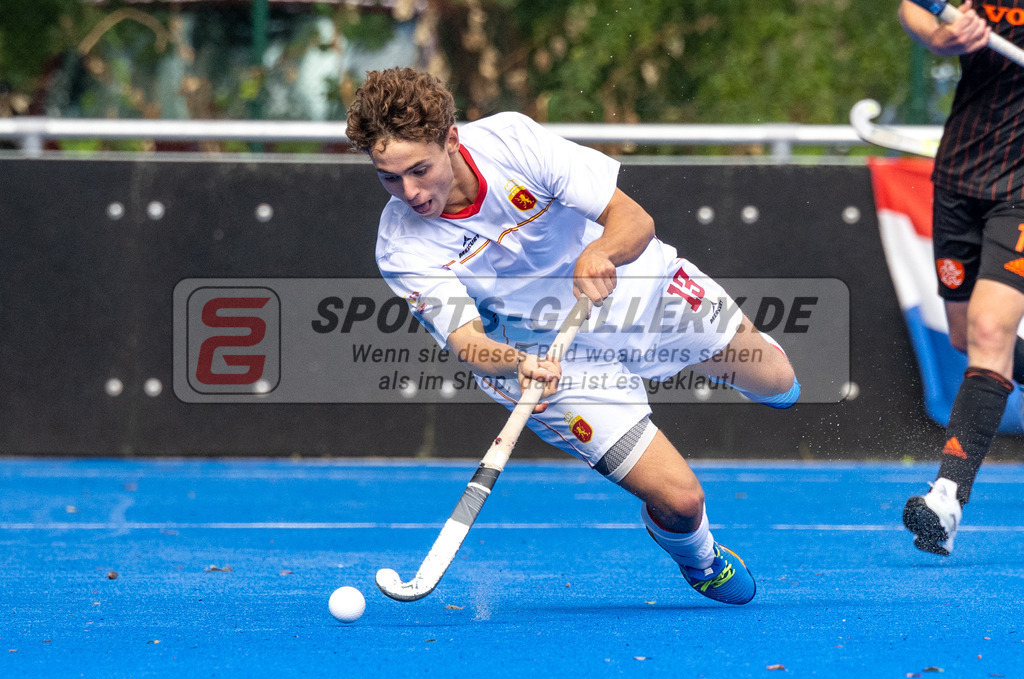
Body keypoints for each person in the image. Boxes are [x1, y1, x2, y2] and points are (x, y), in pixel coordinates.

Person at [345, 67, 799, 604]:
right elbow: (467, 344)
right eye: (389, 178)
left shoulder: (512, 141)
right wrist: (516, 363)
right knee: (681, 500)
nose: (410, 192)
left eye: (419, 170)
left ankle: (717, 361)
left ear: (451, 139)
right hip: (545, 358)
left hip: (635, 287)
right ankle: (700, 559)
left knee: (780, 383)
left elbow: (633, 219)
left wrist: (601, 250)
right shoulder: (401, 244)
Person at [898, 0, 1024, 555]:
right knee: (967, 338)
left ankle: (947, 495)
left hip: (1020, 192)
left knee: (991, 331)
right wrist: (945, 36)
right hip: (958, 177)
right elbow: (913, 9)